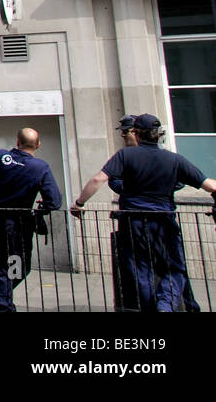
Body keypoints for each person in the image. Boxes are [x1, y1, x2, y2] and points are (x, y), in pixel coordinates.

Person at [71, 113, 216, 312]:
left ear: (136, 133)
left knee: (141, 269)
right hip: (164, 221)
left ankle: (150, 308)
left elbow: (97, 180)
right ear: (158, 134)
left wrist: (79, 203)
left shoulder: (125, 156)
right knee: (174, 267)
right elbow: (210, 186)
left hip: (134, 221)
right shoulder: (174, 159)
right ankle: (165, 305)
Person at [0, 127, 63, 312]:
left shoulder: (0, 157)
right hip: (13, 224)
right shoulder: (38, 167)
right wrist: (43, 206)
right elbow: (54, 201)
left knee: (13, 268)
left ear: (17, 142)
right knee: (7, 266)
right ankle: (4, 306)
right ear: (38, 145)